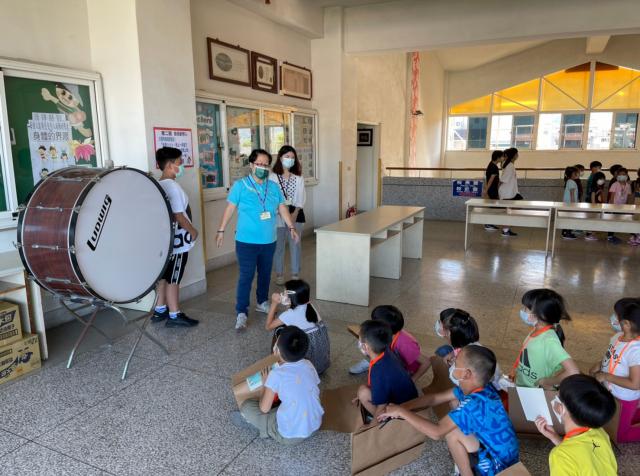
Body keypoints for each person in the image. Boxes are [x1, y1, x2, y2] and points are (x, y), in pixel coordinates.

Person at [379, 346, 520, 476]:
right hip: (503, 454)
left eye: (456, 364)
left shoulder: (472, 404)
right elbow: (433, 398)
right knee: (454, 406)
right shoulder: (482, 388)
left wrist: (401, 412)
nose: (452, 365)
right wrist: (403, 406)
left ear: (467, 374)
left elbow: (437, 432)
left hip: (499, 466)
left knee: (452, 432)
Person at [216, 149, 299, 331]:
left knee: (265, 274)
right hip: (246, 241)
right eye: (259, 164)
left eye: (266, 165)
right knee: (246, 276)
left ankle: (262, 302)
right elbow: (230, 209)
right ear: (251, 165)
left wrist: (291, 227)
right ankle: (241, 311)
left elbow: (282, 208)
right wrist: (221, 230)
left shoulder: (273, 187)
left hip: (269, 241)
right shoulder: (240, 186)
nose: (262, 168)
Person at [231, 326, 324, 445]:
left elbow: (264, 408)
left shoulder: (276, 374)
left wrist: (265, 383)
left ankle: (258, 425)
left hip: (290, 436)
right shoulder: (308, 364)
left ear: (277, 350)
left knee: (247, 406)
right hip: (315, 424)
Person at [152, 147, 199, 327]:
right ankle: (174, 314)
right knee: (174, 277)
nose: (182, 166)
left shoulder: (159, 184)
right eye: (180, 162)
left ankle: (160, 309)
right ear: (170, 165)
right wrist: (193, 231)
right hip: (178, 240)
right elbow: (178, 215)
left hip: (165, 240)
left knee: (163, 275)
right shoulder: (172, 186)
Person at [534, 374, 617, 476]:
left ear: (561, 408)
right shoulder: (599, 431)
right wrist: (555, 437)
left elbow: (573, 456)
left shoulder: (560, 456)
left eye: (558, 397)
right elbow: (583, 457)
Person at [590, 298, 640, 443]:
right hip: (612, 392)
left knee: (620, 436)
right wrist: (600, 364)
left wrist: (606, 376)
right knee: (612, 422)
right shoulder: (617, 337)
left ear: (627, 324)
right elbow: (613, 357)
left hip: (625, 398)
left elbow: (635, 384)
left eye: (616, 315)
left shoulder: (636, 351)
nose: (613, 318)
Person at [512, 289, 579, 388]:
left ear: (540, 315)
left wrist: (546, 381)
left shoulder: (549, 341)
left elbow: (573, 371)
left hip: (534, 391)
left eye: (526, 308)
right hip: (522, 386)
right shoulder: (536, 330)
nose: (523, 311)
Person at [353, 320, 418, 419]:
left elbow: (381, 405)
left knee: (363, 393)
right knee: (363, 391)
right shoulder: (386, 351)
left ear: (365, 346)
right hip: (410, 400)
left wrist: (372, 426)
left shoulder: (379, 372)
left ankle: (382, 421)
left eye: (360, 339)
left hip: (400, 409)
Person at [348, 306, 430, 382]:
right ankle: (371, 362)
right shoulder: (389, 332)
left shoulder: (405, 344)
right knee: (373, 345)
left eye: (374, 322)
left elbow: (426, 362)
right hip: (393, 359)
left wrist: (412, 380)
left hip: (404, 369)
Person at [265, 279, 330, 375]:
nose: (281, 295)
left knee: (279, 329)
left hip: (307, 371)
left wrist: (274, 303)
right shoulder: (310, 306)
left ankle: (276, 359)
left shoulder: (290, 314)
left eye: (284, 293)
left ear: (291, 297)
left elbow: (268, 327)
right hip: (321, 364)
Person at [434, 308, 502, 390]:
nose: (439, 326)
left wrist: (454, 365)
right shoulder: (469, 343)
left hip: (482, 388)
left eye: (441, 326)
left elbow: (462, 385)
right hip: (491, 381)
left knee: (442, 351)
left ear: (449, 333)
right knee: (444, 350)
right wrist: (452, 353)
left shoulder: (459, 370)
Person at [270, 146, 306, 285]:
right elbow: (272, 198)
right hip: (277, 214)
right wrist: (282, 213)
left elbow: (301, 198)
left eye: (292, 157)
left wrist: (294, 214)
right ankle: (279, 274)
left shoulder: (298, 178)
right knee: (278, 246)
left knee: (295, 245)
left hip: (295, 213)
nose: (290, 159)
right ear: (280, 158)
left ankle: (295, 274)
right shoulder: (272, 177)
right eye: (287, 156)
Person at [608, 167, 634, 245]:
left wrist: (628, 207)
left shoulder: (628, 186)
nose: (622, 176)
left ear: (627, 175)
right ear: (617, 176)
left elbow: (628, 197)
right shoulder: (615, 184)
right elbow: (612, 197)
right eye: (620, 174)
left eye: (624, 174)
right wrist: (611, 208)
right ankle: (610, 236)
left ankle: (633, 235)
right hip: (614, 207)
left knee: (622, 221)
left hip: (623, 207)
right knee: (613, 221)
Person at [498, 147, 520, 237]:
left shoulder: (509, 165)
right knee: (508, 212)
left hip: (509, 192)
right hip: (506, 193)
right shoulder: (509, 166)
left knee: (508, 211)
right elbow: (502, 180)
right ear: (513, 155)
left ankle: (506, 229)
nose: (518, 155)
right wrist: (497, 190)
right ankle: (505, 230)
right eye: (517, 154)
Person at [483, 150, 503, 231]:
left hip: (492, 190)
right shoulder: (494, 167)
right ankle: (488, 224)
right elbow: (491, 180)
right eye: (502, 156)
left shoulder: (491, 164)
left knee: (492, 207)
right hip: (492, 190)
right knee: (492, 207)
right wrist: (486, 191)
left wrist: (486, 189)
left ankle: (490, 223)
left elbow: (487, 179)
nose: (503, 158)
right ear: (498, 157)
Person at [584, 171, 607, 241]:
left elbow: (602, 198)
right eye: (600, 179)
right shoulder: (593, 188)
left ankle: (592, 233)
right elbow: (593, 199)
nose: (602, 180)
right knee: (592, 221)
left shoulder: (599, 188)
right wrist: (594, 208)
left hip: (598, 207)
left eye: (603, 179)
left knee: (595, 220)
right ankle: (589, 234)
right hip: (593, 207)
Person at [561, 166, 579, 240]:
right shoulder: (571, 182)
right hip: (570, 204)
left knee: (567, 217)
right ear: (572, 174)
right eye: (576, 173)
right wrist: (573, 204)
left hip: (567, 204)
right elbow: (572, 194)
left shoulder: (569, 181)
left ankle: (565, 232)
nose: (577, 175)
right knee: (570, 218)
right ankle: (567, 233)